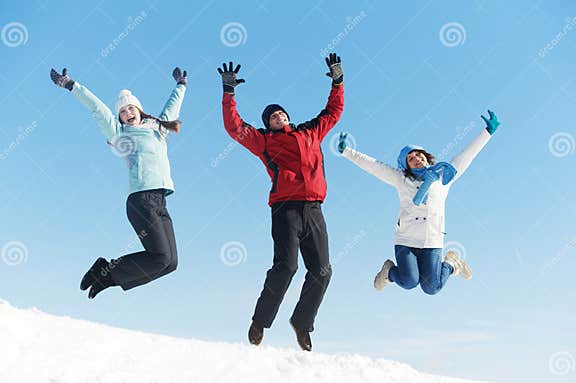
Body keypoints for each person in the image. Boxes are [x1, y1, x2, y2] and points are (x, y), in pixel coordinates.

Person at [217, 54, 344, 351]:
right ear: (267, 124)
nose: (278, 116)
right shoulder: (264, 141)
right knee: (286, 266)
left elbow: (333, 111)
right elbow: (234, 127)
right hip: (285, 209)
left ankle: (301, 323)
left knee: (322, 271)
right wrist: (229, 92)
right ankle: (260, 321)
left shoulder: (310, 132)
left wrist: (338, 80)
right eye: (272, 116)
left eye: (281, 113)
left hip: (314, 209)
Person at [49, 66, 187, 299]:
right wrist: (71, 85)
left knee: (170, 263)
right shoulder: (120, 134)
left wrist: (181, 84)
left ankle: (109, 277)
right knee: (160, 257)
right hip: (141, 201)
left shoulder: (158, 130)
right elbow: (98, 109)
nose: (127, 112)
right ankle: (107, 270)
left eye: (131, 107)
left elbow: (172, 106)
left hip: (160, 201)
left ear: (140, 110)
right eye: (122, 111)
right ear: (120, 118)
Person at [338, 111, 500, 295]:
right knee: (409, 281)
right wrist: (347, 151)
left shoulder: (442, 177)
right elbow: (374, 166)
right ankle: (389, 272)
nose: (416, 159)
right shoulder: (401, 179)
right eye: (410, 158)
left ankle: (452, 264)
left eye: (418, 155)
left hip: (432, 240)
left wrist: (487, 132)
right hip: (406, 240)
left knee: (432, 288)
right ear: (406, 165)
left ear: (426, 157)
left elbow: (466, 156)